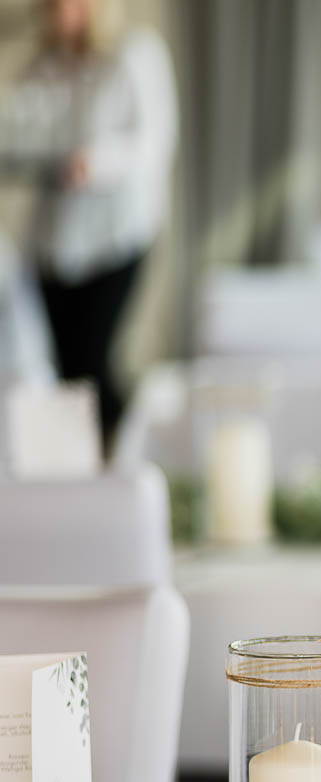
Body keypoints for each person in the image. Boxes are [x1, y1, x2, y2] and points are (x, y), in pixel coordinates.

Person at [7, 0, 176, 456]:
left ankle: (133, 456)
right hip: (53, 244)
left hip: (114, 235)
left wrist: (94, 162)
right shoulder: (45, 65)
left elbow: (152, 141)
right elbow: (23, 129)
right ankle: (72, 476)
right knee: (62, 371)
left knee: (93, 362)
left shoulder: (134, 54)